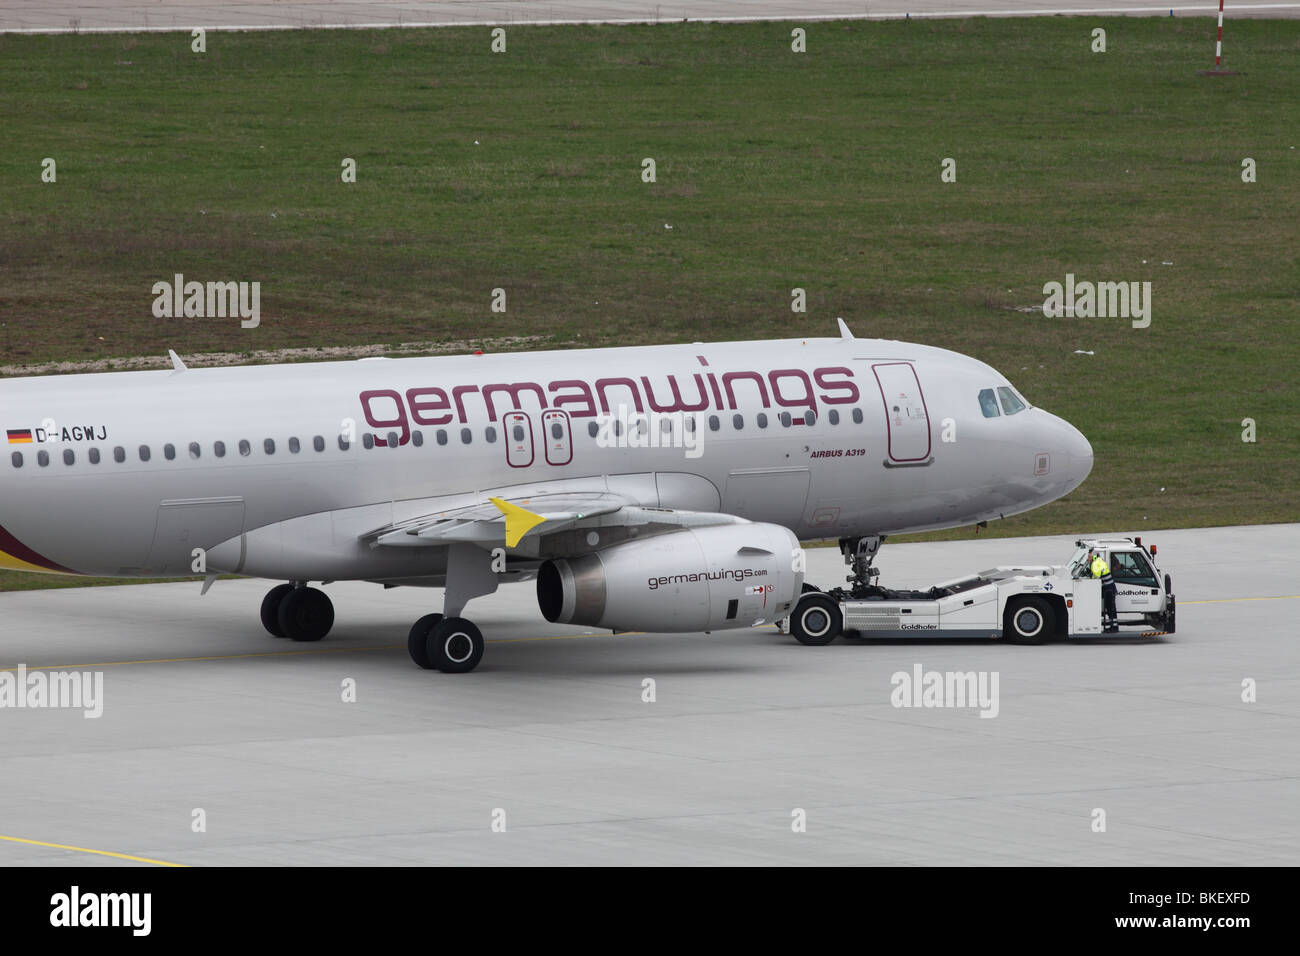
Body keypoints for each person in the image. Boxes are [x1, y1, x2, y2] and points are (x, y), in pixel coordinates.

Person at [1090, 551, 1118, 632]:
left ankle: (1113, 627)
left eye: (1089, 557)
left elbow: (1096, 577)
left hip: (1108, 589)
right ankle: (1112, 626)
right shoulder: (1100, 561)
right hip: (1110, 588)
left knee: (1110, 608)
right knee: (1110, 608)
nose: (1088, 559)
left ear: (1094, 557)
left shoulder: (1095, 563)